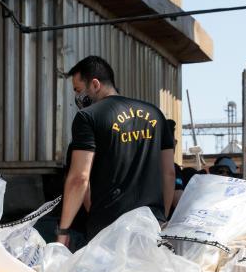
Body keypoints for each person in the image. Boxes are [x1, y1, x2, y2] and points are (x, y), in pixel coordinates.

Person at [57, 56, 175, 245]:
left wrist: (63, 230)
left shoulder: (87, 117)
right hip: (151, 227)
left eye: (78, 90)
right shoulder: (155, 113)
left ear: (95, 84)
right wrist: (162, 217)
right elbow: (168, 173)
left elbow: (80, 178)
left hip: (108, 230)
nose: (77, 98)